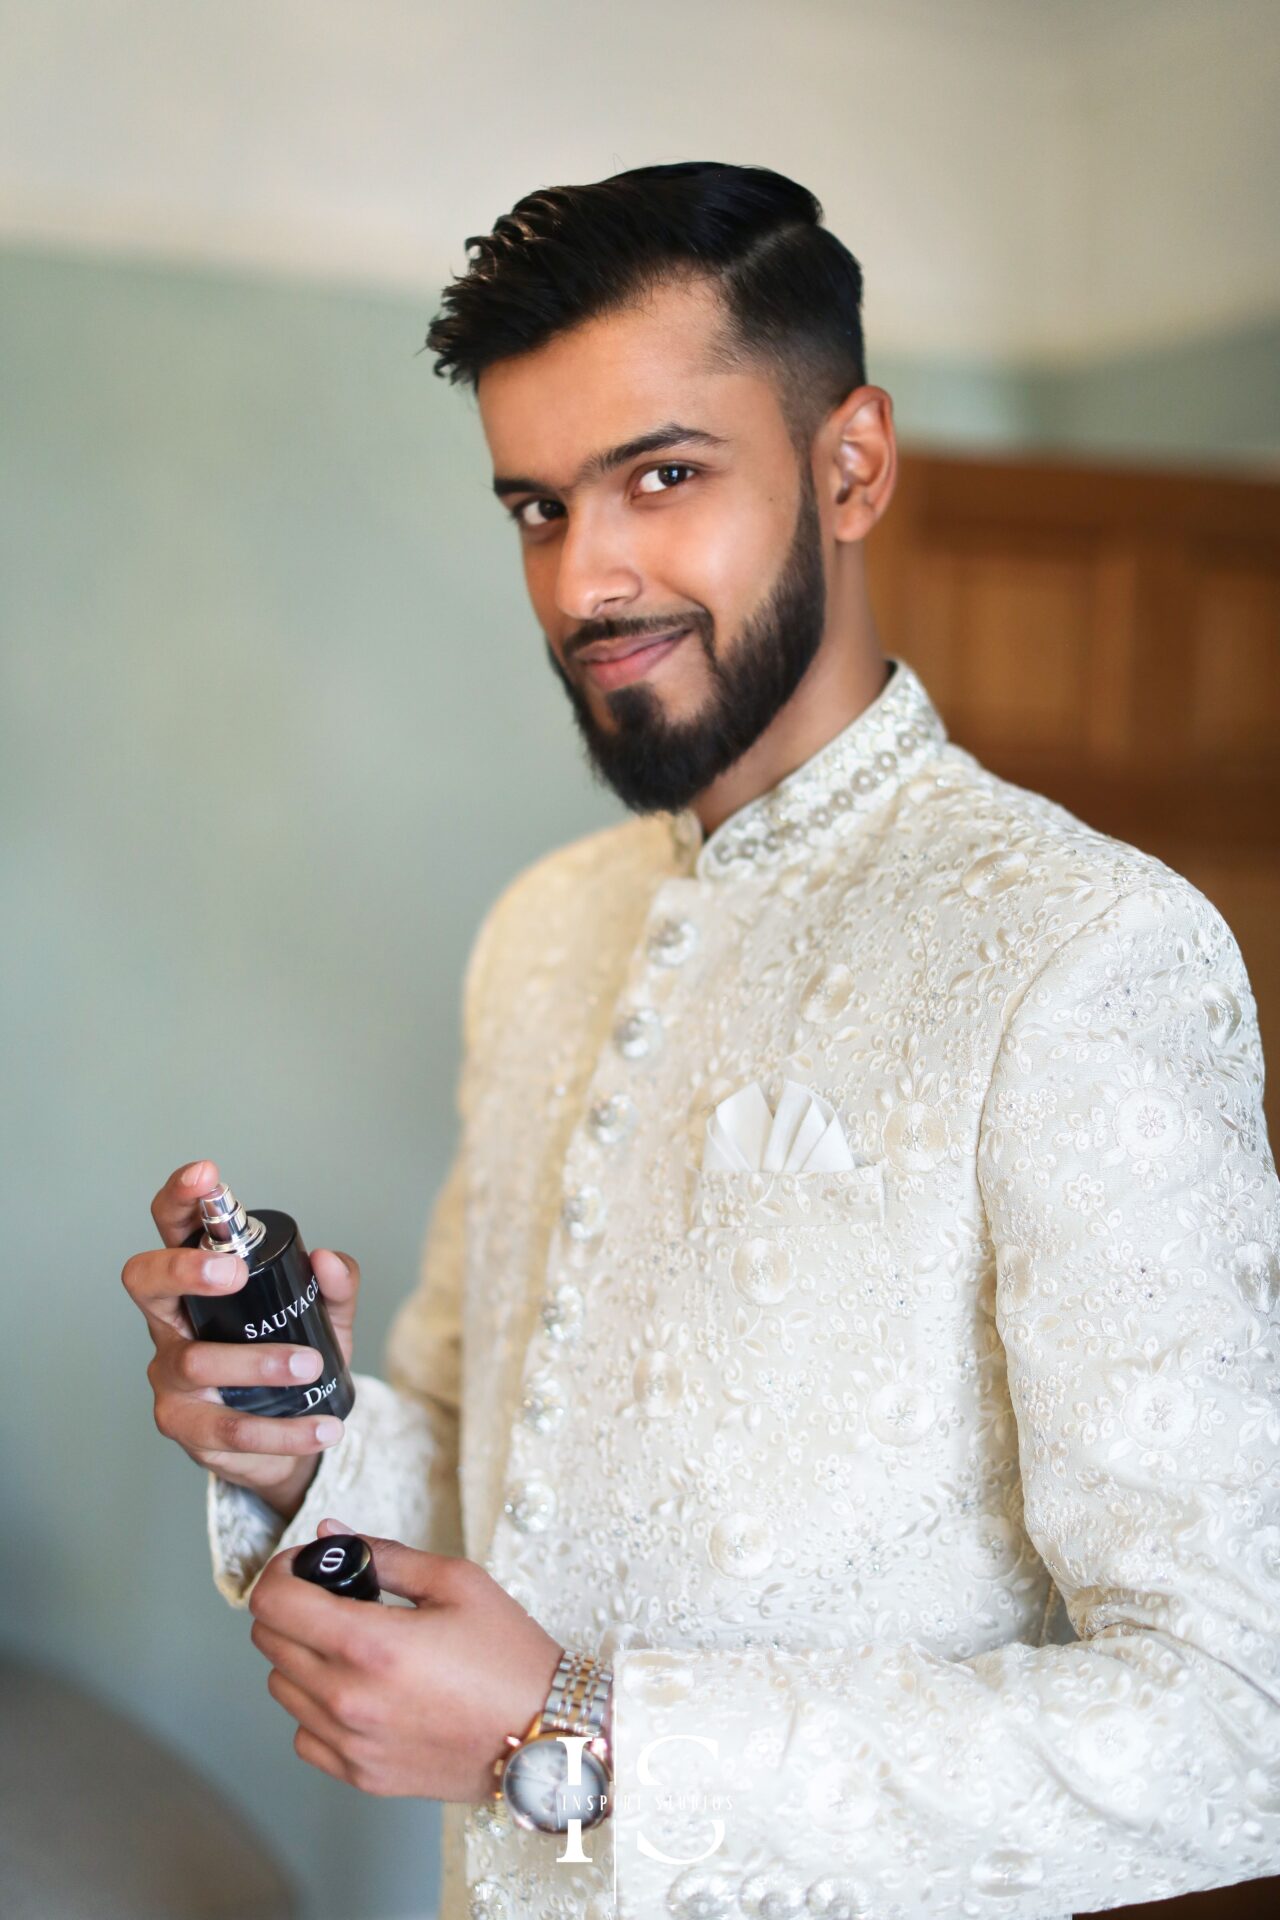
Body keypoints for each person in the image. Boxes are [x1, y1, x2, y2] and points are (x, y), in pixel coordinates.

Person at [121, 162, 1280, 1920]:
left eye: (663, 476)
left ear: (853, 463)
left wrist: (573, 1727)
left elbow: (1234, 1730)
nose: (588, 578)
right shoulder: (540, 933)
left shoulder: (1086, 951)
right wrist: (296, 1438)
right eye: (534, 508)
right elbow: (475, 1452)